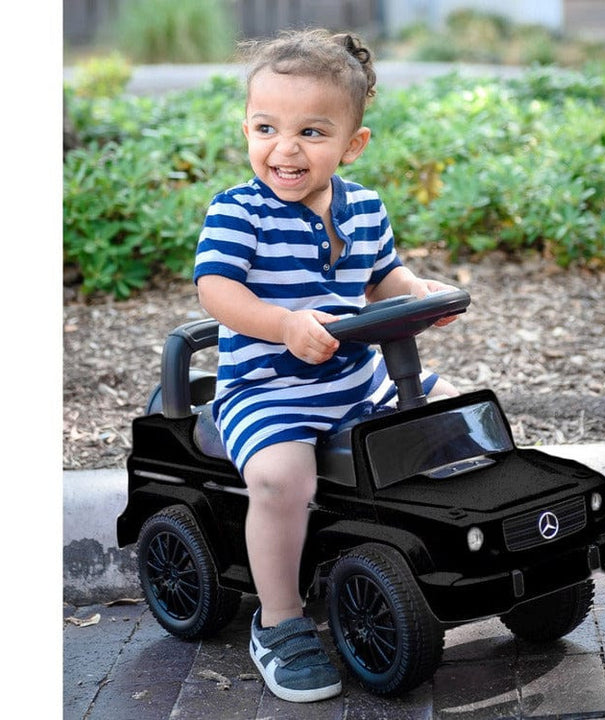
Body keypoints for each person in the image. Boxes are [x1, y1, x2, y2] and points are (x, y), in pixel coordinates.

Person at [193, 28, 459, 703]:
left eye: (311, 132)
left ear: (352, 144)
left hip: (359, 381)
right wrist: (284, 324)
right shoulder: (238, 211)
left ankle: (436, 549)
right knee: (283, 477)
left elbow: (384, 277)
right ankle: (280, 621)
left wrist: (417, 293)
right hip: (268, 389)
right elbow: (216, 291)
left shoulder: (363, 206)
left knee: (457, 418)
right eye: (266, 128)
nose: (284, 149)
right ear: (247, 130)